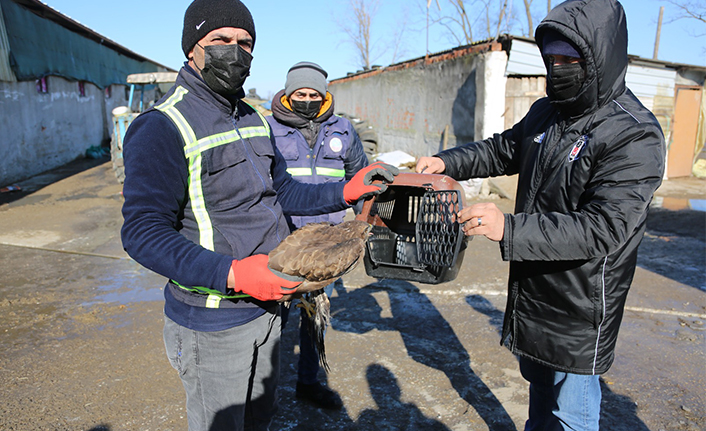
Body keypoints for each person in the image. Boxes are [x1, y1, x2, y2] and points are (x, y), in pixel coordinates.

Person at [119, 1, 397, 430]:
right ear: (192, 47)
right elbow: (142, 232)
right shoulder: (162, 125)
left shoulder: (252, 117)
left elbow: (282, 191)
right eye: (221, 40)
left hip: (268, 309)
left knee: (260, 419)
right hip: (213, 320)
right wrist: (234, 274)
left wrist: (345, 191)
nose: (235, 51)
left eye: (245, 43)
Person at [416, 0, 665, 429]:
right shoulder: (547, 112)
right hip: (533, 287)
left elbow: (604, 228)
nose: (558, 69)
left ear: (601, 58)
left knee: (571, 414)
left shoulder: (633, 133)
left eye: (571, 60)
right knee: (539, 397)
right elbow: (502, 150)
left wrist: (507, 227)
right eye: (552, 60)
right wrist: (446, 162)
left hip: (579, 303)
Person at [267, 61, 369, 410]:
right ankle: (264, 390)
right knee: (272, 318)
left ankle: (308, 382)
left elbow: (361, 178)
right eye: (301, 93)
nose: (308, 100)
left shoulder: (343, 130)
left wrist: (363, 226)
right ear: (288, 94)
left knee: (316, 317)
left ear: (324, 96)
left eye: (314, 94)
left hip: (325, 246)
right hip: (283, 241)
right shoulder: (267, 129)